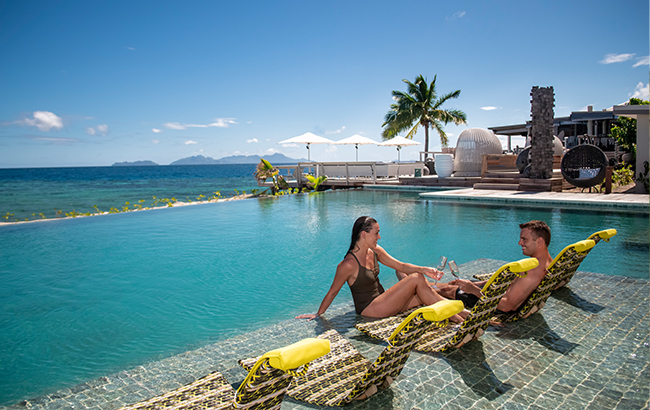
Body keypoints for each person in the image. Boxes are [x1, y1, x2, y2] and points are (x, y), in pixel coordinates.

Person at [295, 216, 465, 322]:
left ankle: (466, 316)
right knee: (416, 279)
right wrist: (318, 314)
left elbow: (401, 266)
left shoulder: (376, 251)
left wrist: (425, 269)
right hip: (370, 310)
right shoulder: (348, 265)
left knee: (425, 293)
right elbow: (333, 292)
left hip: (386, 302)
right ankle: (461, 321)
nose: (379, 237)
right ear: (364, 234)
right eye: (376, 233)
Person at [396, 220, 553, 313]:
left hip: (492, 306)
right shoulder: (546, 262)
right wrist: (477, 285)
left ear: (539, 241)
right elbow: (514, 285)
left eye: (524, 239)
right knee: (452, 284)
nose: (520, 243)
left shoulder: (533, 271)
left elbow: (507, 306)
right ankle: (416, 283)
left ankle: (412, 286)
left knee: (449, 290)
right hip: (493, 294)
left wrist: (473, 290)